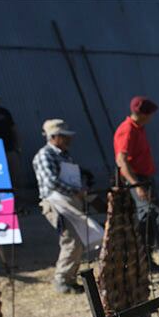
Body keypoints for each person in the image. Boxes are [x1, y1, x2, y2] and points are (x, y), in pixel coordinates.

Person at [32, 119, 103, 294]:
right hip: (56, 203)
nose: (69, 140)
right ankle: (62, 279)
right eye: (64, 136)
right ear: (54, 137)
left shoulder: (65, 155)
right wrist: (76, 190)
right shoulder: (44, 155)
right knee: (70, 240)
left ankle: (70, 279)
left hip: (70, 201)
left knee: (77, 240)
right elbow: (51, 182)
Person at [114, 96, 159, 271]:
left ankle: (147, 261)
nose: (152, 117)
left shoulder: (138, 128)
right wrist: (137, 185)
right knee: (158, 214)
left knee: (148, 218)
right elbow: (121, 161)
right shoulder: (127, 130)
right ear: (143, 114)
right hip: (137, 179)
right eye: (150, 114)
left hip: (144, 179)